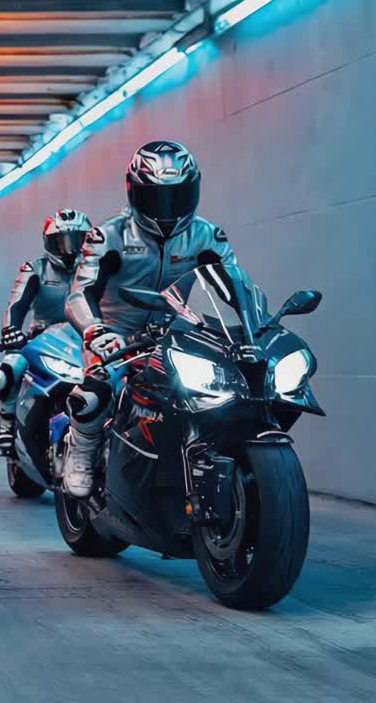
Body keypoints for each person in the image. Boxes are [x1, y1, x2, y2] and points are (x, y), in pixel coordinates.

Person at [61, 141, 237, 498]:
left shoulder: (208, 236)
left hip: (178, 334)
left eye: (177, 196)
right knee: (94, 394)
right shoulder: (107, 236)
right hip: (117, 338)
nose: (167, 208)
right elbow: (79, 293)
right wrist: (96, 330)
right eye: (156, 198)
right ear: (134, 194)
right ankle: (81, 449)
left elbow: (235, 285)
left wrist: (248, 326)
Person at [0, 209, 91, 456]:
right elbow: (16, 304)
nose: (69, 249)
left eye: (76, 241)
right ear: (49, 243)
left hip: (86, 337)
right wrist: (11, 331)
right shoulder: (34, 269)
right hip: (44, 339)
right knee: (8, 369)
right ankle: (7, 423)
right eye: (61, 242)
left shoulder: (96, 267)